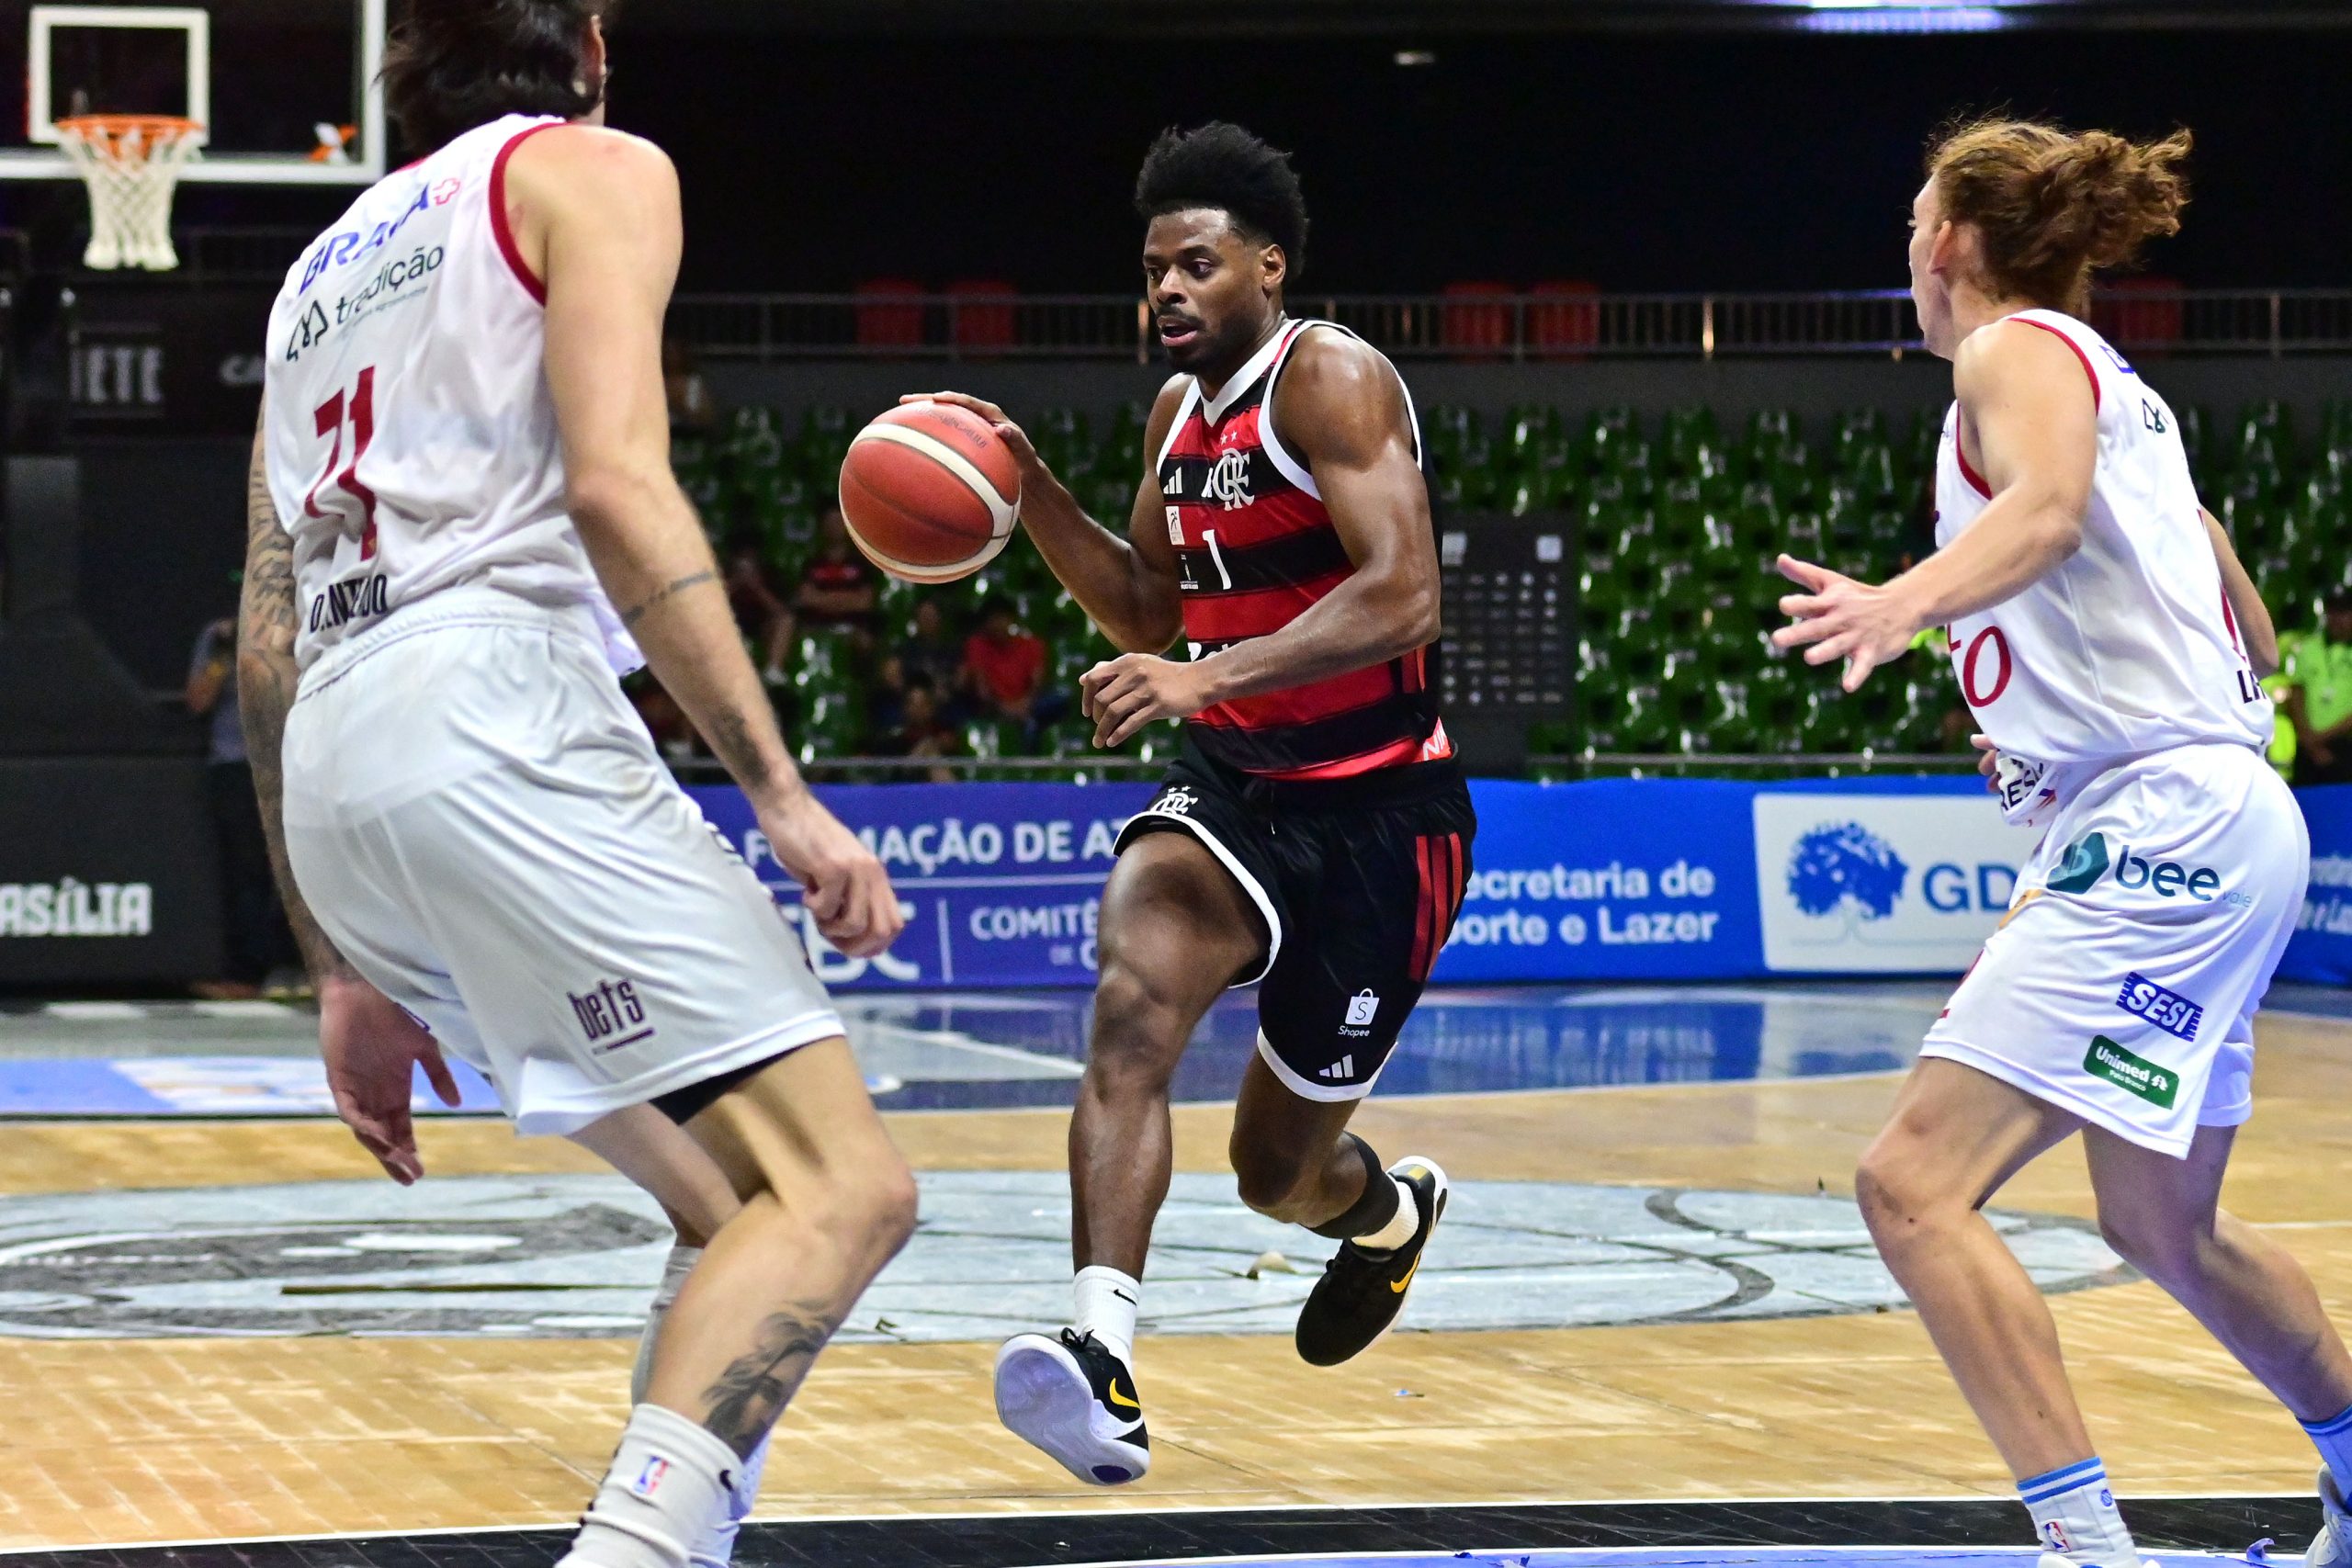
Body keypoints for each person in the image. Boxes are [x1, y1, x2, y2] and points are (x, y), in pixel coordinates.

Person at [247, 6, 916, 1567]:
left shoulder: (313, 276)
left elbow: (266, 624)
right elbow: (618, 483)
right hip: (490, 709)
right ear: (592, 50)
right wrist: (780, 790)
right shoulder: (588, 169)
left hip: (341, 756)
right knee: (847, 1188)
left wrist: (336, 959)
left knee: (738, 1208)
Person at [1773, 118, 2352, 1568]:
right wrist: (2058, 712)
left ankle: (2088, 1544)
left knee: (1912, 1183)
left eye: (1915, 218)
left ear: (1953, 242)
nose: (1910, 246)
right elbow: (2242, 616)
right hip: (2218, 811)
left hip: (2163, 822)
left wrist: (1905, 600)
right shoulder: (2121, 392)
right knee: (2163, 1222)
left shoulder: (2010, 351)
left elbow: (2044, 513)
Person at [917, 121, 1475, 1487]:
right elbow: (1147, 609)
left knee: (1277, 1173)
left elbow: (1405, 592)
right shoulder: (1176, 416)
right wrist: (1030, 494)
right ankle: (1100, 1352)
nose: (1167, 288)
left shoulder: (1329, 378)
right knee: (1130, 1007)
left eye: (1197, 265)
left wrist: (1200, 675)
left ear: (1268, 268)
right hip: (1235, 791)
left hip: (1382, 815)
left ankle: (1387, 1218)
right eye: (1153, 269)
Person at [187, 606, 297, 999]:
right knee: (245, 873)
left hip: (291, 764)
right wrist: (223, 655)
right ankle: (246, 974)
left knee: (296, 870)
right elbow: (198, 701)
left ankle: (299, 970)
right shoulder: (219, 637)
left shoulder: (298, 630)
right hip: (235, 765)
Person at [2279, 592, 2352, 785]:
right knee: (2305, 800)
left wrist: (2319, 739)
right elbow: (2296, 692)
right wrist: (2310, 741)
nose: (2337, 618)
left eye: (2344, 612)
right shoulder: (2309, 647)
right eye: (2332, 611)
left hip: (2345, 744)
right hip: (2307, 746)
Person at [959, 594, 1051, 733]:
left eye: (1002, 618)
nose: (998, 624)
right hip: (993, 708)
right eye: (993, 619)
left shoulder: (1032, 645)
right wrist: (1003, 707)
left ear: (1011, 619)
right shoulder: (977, 645)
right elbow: (982, 689)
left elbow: (1037, 684)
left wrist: (1024, 704)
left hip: (1027, 705)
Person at [793, 504, 878, 631]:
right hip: (817, 622)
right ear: (822, 526)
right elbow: (806, 599)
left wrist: (823, 598)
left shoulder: (862, 563)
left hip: (855, 623)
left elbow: (865, 602)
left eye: (838, 521)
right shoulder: (812, 563)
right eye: (830, 522)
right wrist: (846, 598)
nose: (834, 527)